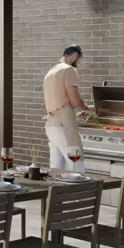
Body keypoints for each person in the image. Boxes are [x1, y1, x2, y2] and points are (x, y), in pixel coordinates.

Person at [43, 45, 93, 173]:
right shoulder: (69, 70)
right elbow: (75, 101)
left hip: (51, 126)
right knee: (77, 165)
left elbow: (59, 103)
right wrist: (87, 108)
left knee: (56, 168)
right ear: (74, 56)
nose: (79, 64)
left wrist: (75, 115)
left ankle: (55, 186)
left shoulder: (50, 72)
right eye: (79, 60)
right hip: (64, 127)